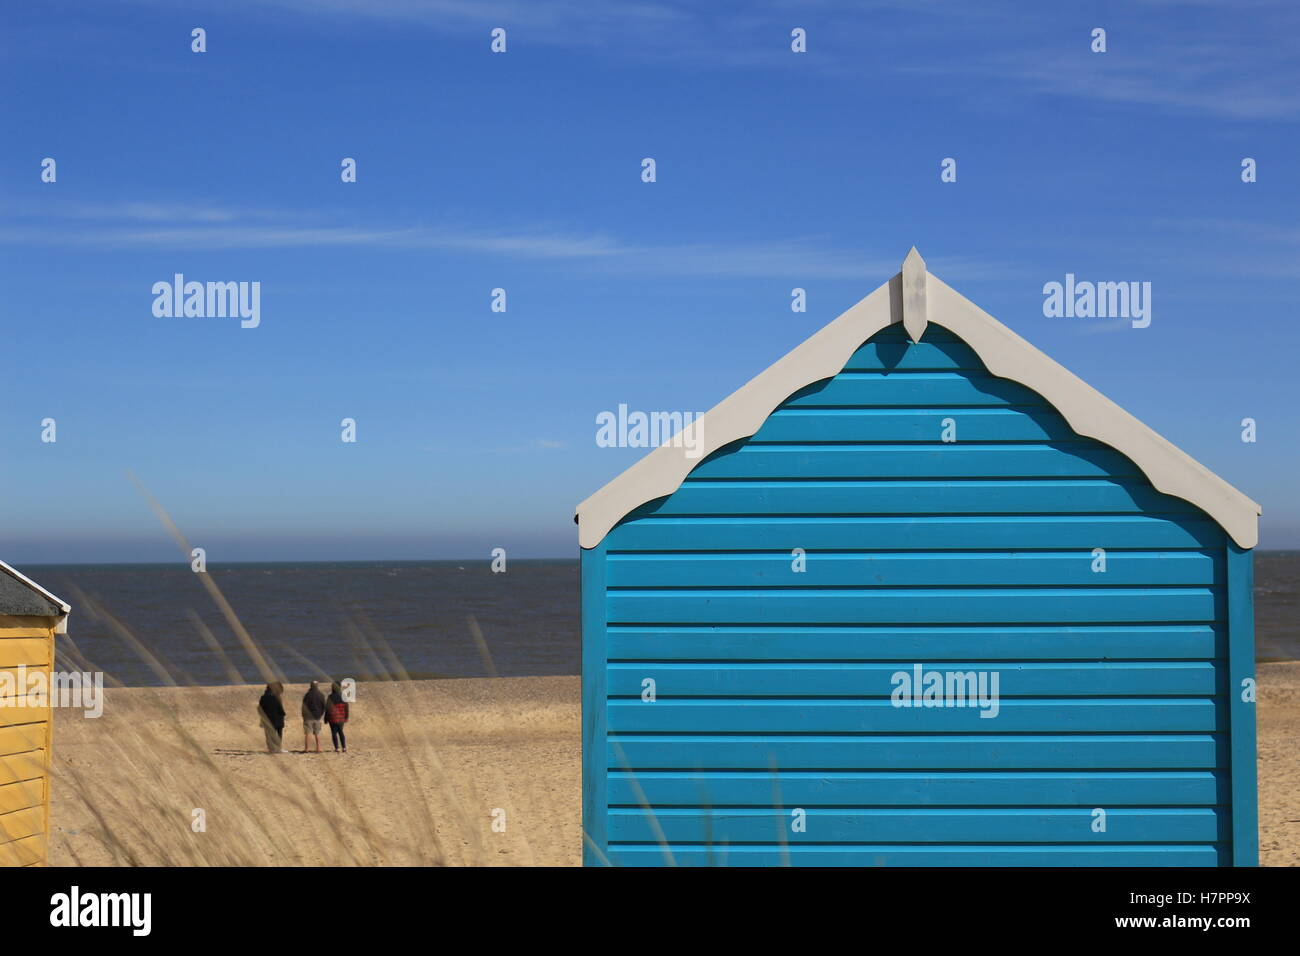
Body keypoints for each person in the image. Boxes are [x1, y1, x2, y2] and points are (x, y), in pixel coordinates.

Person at [257, 682, 286, 754]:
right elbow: (280, 708)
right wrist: (283, 713)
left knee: (268, 735)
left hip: (267, 718)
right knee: (278, 733)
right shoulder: (276, 697)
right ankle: (278, 748)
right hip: (277, 718)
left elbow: (260, 708)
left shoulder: (263, 697)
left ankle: (271, 748)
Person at [302, 681, 326, 753]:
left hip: (308, 717)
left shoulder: (308, 695)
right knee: (317, 733)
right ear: (317, 686)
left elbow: (304, 706)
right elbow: (323, 706)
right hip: (317, 716)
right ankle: (318, 748)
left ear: (311, 686)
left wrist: (303, 715)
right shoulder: (321, 694)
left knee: (307, 733)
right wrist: (321, 714)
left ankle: (307, 748)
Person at [325, 681, 349, 753]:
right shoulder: (343, 696)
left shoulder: (330, 697)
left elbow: (327, 709)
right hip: (341, 718)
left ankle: (337, 748)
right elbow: (346, 708)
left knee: (334, 732)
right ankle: (344, 747)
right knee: (341, 732)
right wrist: (346, 717)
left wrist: (325, 718)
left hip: (332, 718)